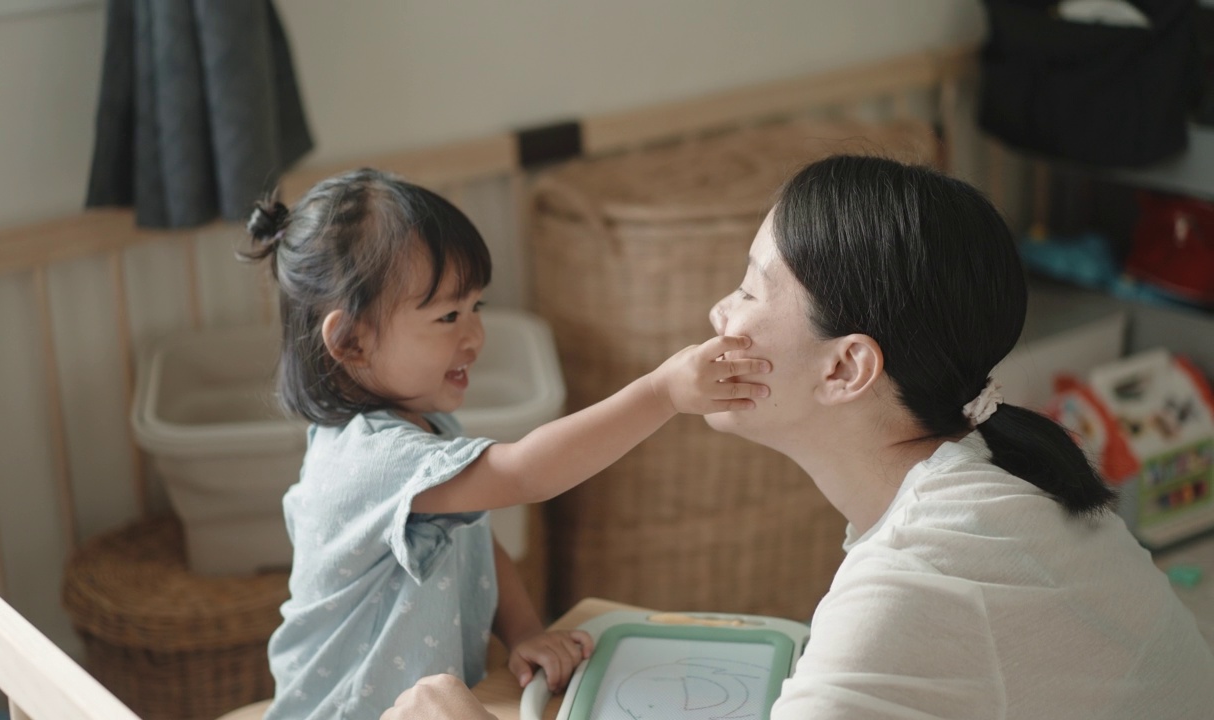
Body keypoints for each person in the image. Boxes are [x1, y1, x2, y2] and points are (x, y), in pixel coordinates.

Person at [380, 154, 1214, 720]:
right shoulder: (993, 474)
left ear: (847, 368)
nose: (719, 314)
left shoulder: (926, 576)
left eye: (751, 289)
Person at [242, 168, 770, 720]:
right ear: (350, 340)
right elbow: (523, 474)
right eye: (448, 316)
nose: (474, 336)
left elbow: (472, 536)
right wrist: (661, 392)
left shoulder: (422, 431)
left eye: (477, 308)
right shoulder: (371, 460)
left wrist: (524, 632)